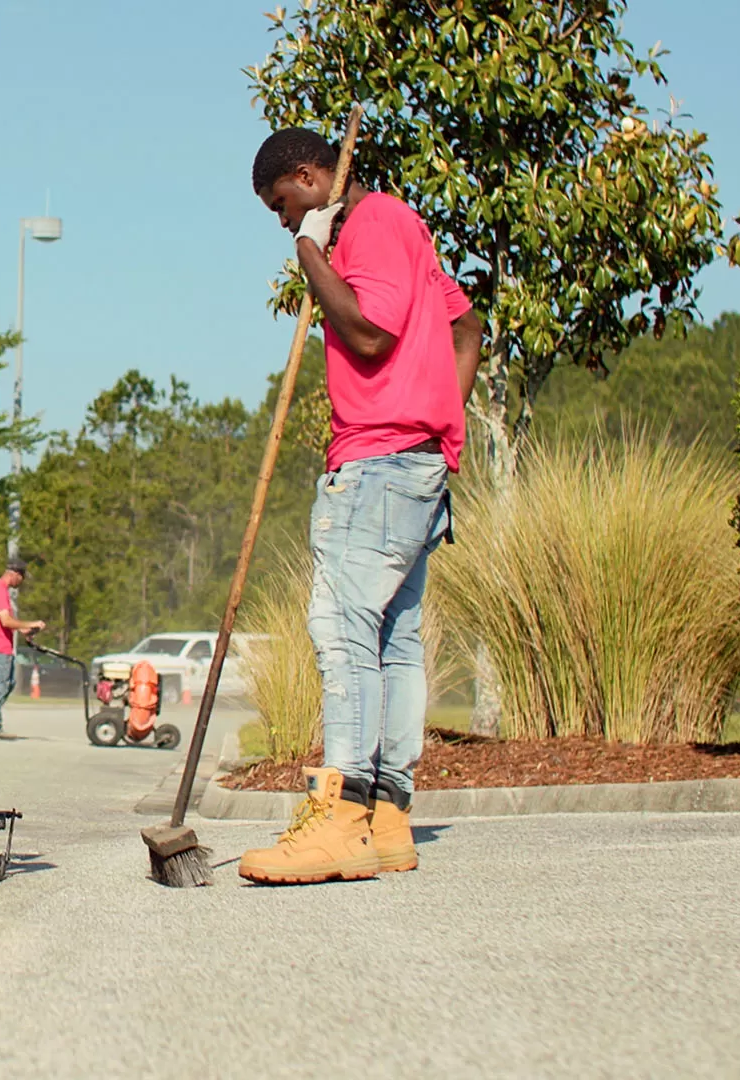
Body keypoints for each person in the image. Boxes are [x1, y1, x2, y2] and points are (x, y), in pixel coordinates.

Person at [238, 127, 482, 885]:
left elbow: (370, 336)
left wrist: (311, 253)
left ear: (311, 178)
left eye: (284, 205)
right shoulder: (407, 228)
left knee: (342, 631)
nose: (284, 221)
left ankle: (341, 817)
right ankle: (388, 817)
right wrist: (441, 414)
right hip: (414, 463)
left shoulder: (371, 224)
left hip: (378, 462)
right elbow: (466, 324)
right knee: (392, 642)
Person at [0, 558, 45, 738]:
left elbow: (6, 623)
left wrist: (24, 628)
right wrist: (31, 622)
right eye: (21, 577)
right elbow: (6, 621)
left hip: (2, 646)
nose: (21, 582)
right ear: (15, 573)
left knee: (9, 682)